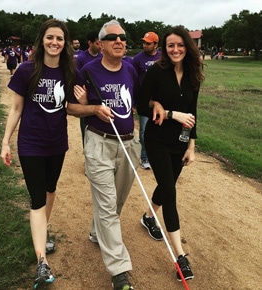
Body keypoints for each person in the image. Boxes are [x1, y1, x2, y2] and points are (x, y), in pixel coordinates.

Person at [0, 19, 76, 289]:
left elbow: (76, 102)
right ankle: (41, 261)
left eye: (59, 38)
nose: (54, 42)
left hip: (57, 144)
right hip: (31, 144)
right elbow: (17, 108)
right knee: (36, 199)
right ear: (41, 41)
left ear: (65, 43)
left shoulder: (70, 71)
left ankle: (43, 232)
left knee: (50, 189)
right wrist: (6, 142)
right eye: (49, 38)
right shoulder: (26, 70)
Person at [67, 19, 140, 290]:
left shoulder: (131, 69)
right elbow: (71, 108)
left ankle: (97, 232)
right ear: (101, 43)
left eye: (122, 37)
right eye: (112, 38)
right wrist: (93, 109)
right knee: (108, 205)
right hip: (99, 143)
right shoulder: (86, 70)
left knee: (117, 201)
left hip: (129, 145)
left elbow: (140, 101)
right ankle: (119, 272)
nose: (119, 41)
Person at [137, 26, 205, 282]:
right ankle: (180, 256)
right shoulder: (156, 72)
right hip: (156, 141)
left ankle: (147, 217)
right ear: (164, 49)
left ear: (187, 46)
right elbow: (141, 105)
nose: (175, 49)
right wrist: (168, 113)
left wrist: (191, 147)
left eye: (180, 45)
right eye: (170, 45)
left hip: (180, 143)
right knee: (170, 190)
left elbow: (193, 111)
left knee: (167, 186)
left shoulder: (193, 75)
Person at [132, 32, 161, 170]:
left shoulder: (163, 58)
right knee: (144, 130)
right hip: (145, 100)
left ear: (156, 44)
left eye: (148, 43)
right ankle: (144, 158)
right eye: (144, 42)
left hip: (161, 100)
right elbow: (133, 80)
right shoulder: (137, 59)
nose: (145, 45)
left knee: (160, 129)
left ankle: (157, 157)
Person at [76, 31, 102, 146]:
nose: (100, 46)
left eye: (101, 43)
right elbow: (77, 79)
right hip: (86, 99)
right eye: (97, 43)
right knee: (86, 128)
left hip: (100, 97)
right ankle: (87, 153)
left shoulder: (102, 56)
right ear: (90, 43)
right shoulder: (81, 58)